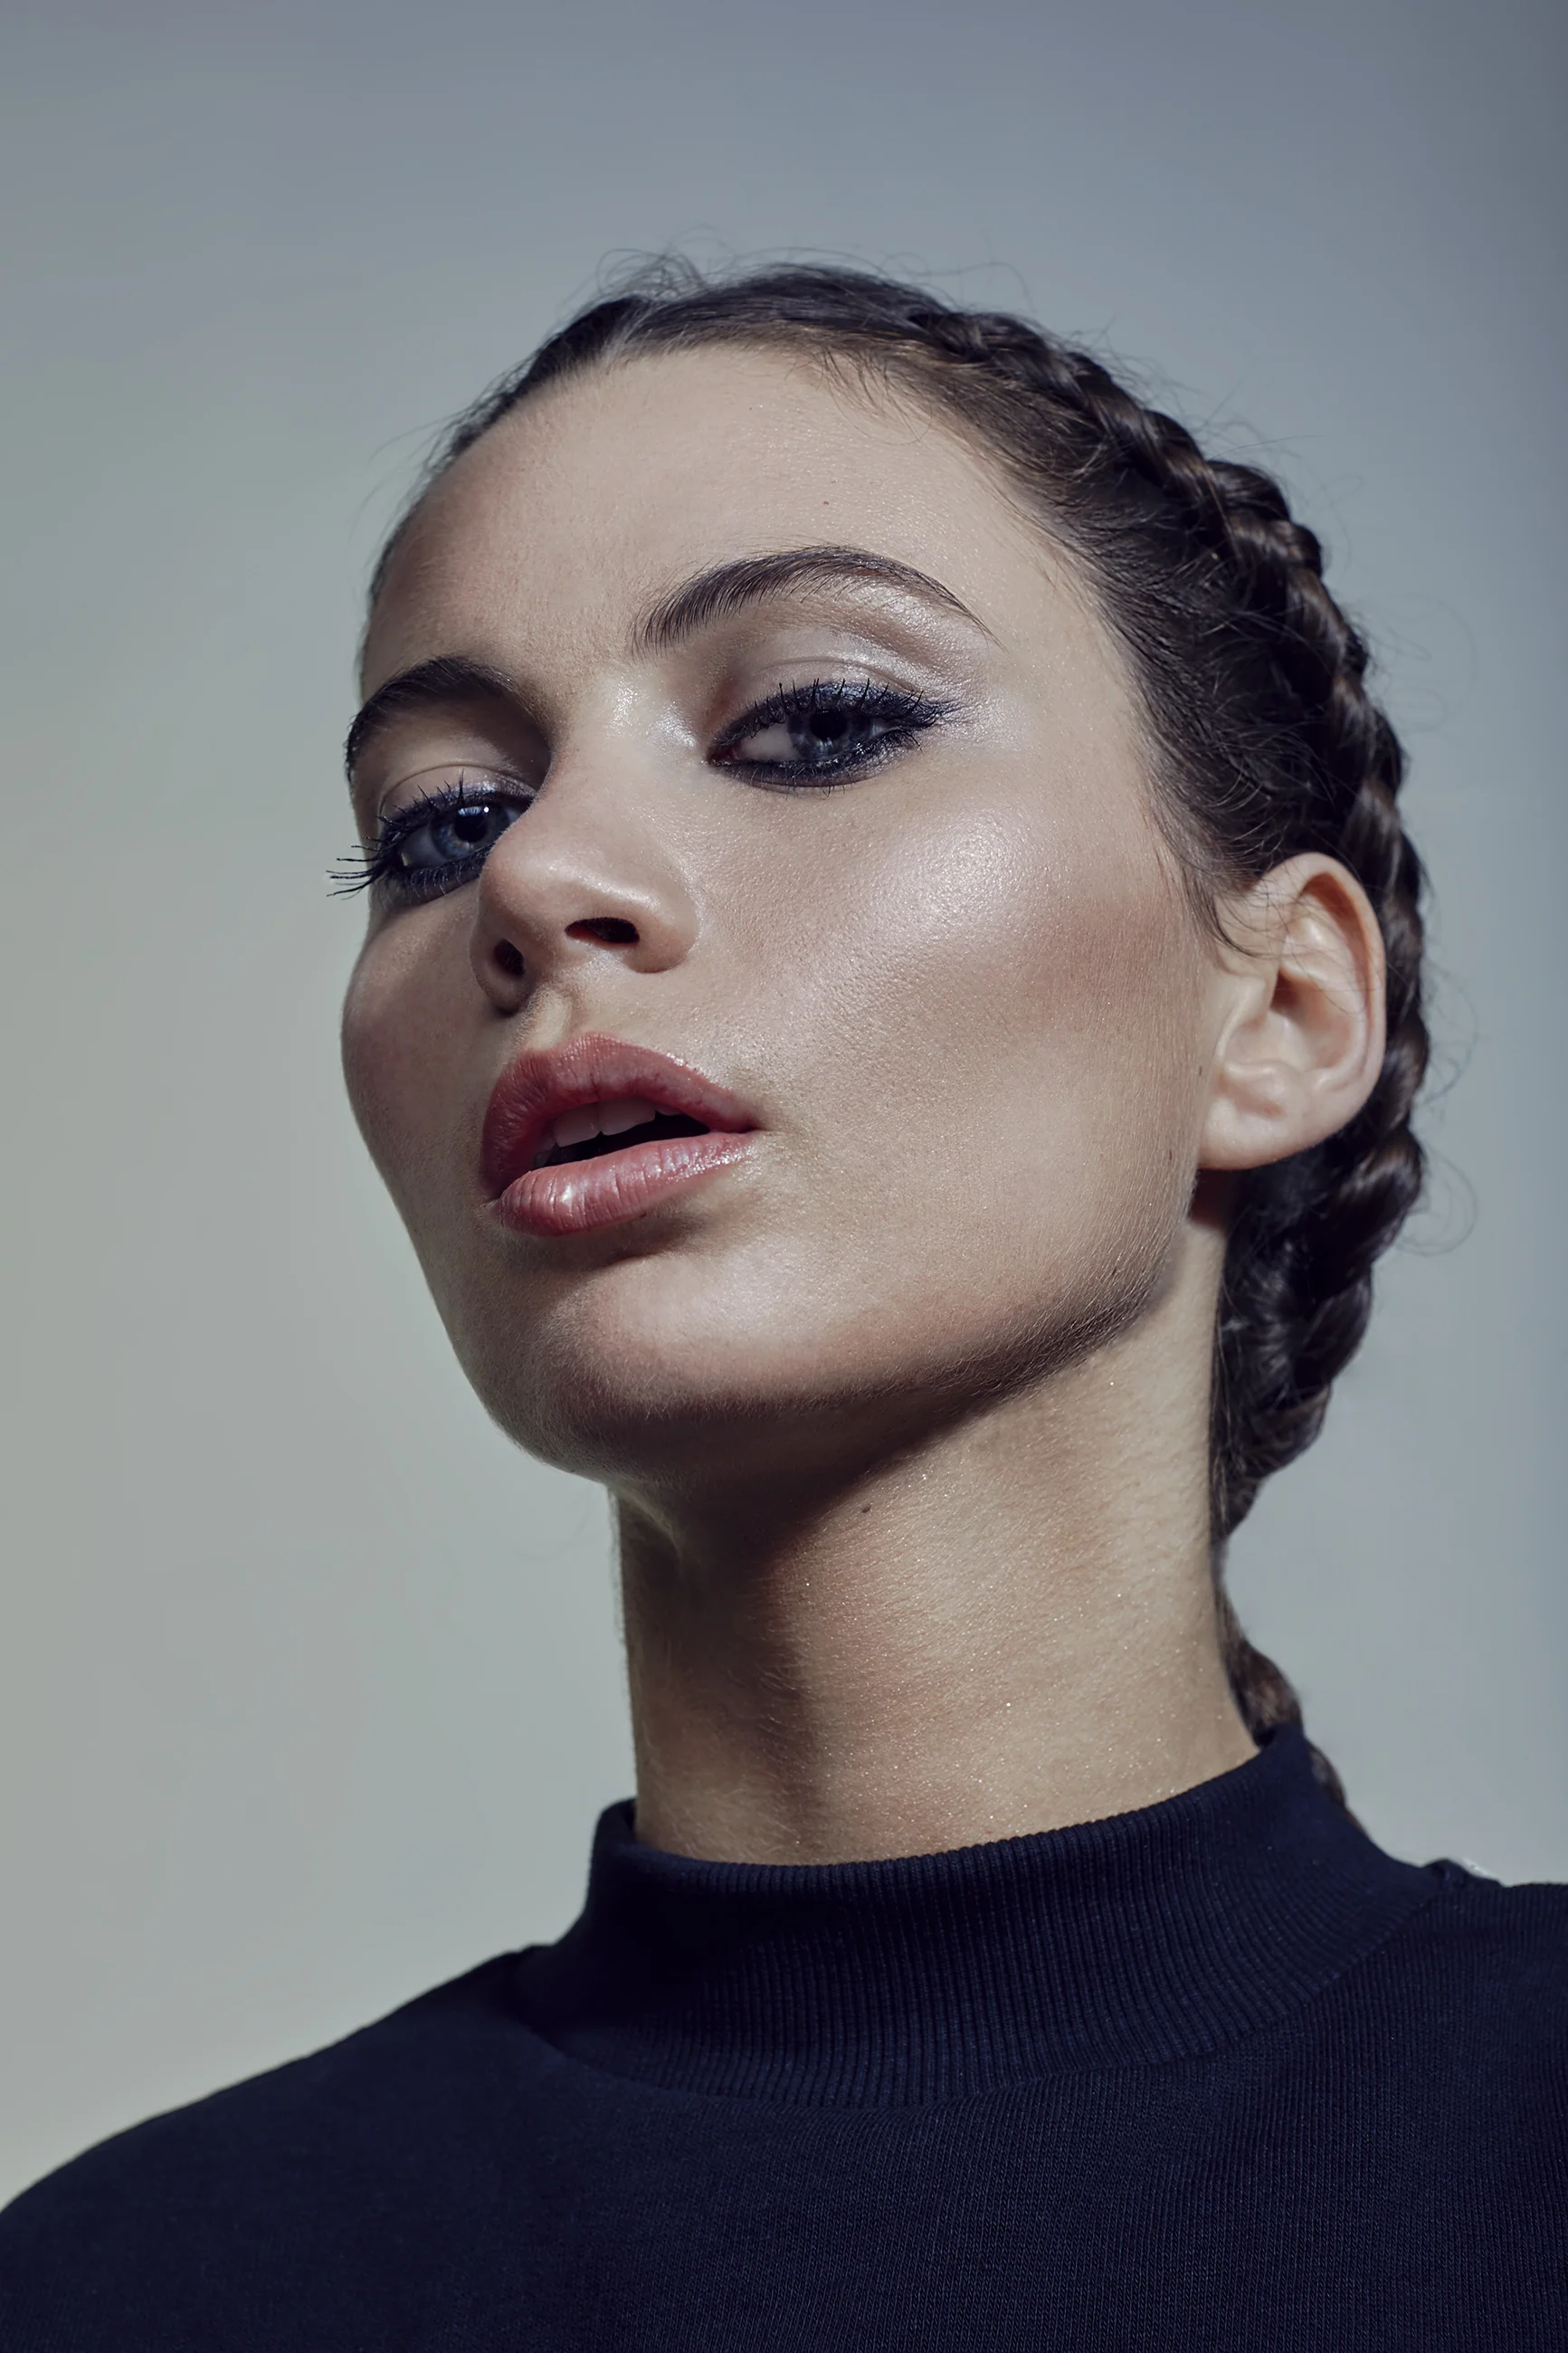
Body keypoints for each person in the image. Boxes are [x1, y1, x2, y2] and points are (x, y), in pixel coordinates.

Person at [2, 263, 1563, 2349]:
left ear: (1274, 1012)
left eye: (817, 723)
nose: (542, 877)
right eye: (441, 824)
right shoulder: (122, 2294)